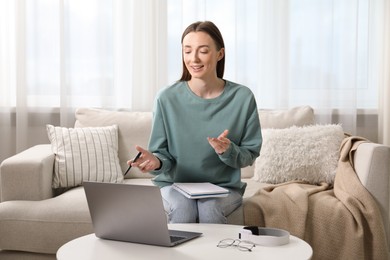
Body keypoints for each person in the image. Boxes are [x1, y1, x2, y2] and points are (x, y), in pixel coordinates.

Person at [128, 21, 262, 224]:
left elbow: (249, 154)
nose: (194, 59)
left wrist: (228, 150)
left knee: (210, 208)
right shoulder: (166, 98)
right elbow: (162, 155)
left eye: (203, 51)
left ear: (220, 54)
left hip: (223, 188)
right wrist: (156, 161)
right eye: (187, 51)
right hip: (174, 186)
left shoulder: (242, 98)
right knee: (182, 208)